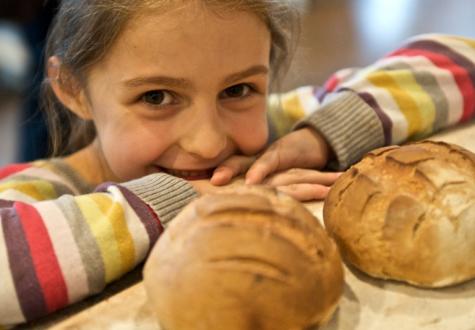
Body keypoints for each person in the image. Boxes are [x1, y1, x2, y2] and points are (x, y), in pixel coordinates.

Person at [0, 0, 473, 327]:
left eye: (238, 89)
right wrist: (184, 200)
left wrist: (321, 134)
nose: (208, 144)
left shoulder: (276, 129)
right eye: (157, 97)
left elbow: (460, 59)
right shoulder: (39, 190)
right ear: (74, 90)